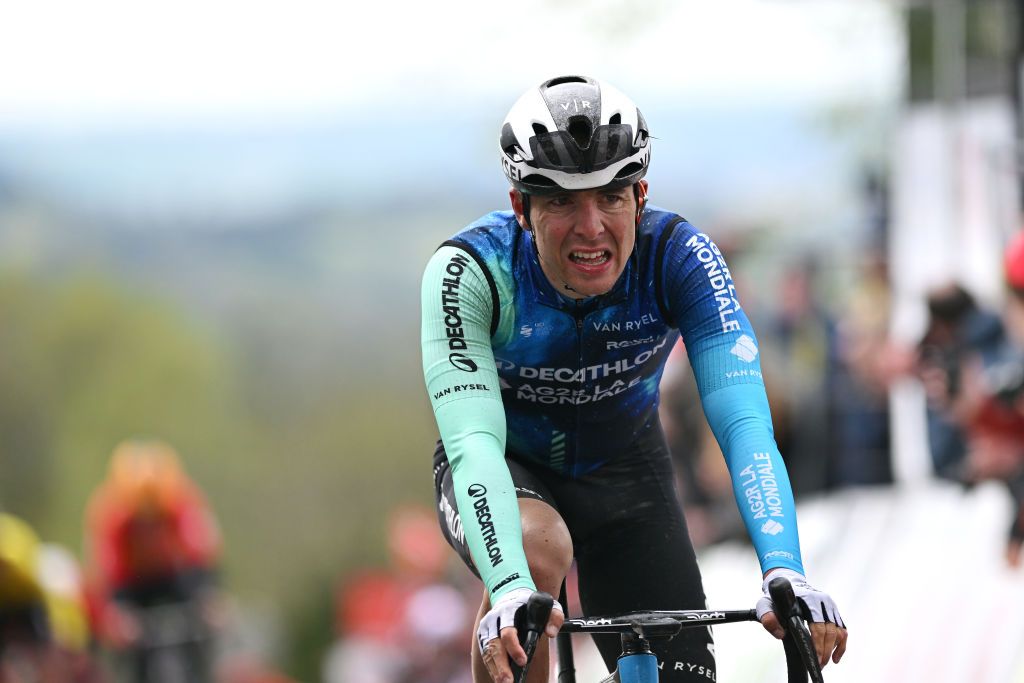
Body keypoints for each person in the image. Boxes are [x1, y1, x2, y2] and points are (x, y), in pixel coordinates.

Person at [420, 75, 848, 683]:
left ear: (641, 196)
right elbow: (473, 443)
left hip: (626, 469)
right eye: (563, 201)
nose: (591, 226)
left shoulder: (679, 258)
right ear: (522, 208)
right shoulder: (472, 271)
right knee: (539, 557)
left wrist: (785, 569)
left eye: (612, 197)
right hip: (505, 469)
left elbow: (746, 423)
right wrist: (511, 585)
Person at [83, 439, 223, 682]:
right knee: (132, 646)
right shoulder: (111, 513)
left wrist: (208, 597)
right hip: (130, 583)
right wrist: (117, 614)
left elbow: (200, 551)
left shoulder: (182, 502)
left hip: (174, 576)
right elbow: (108, 568)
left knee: (201, 629)